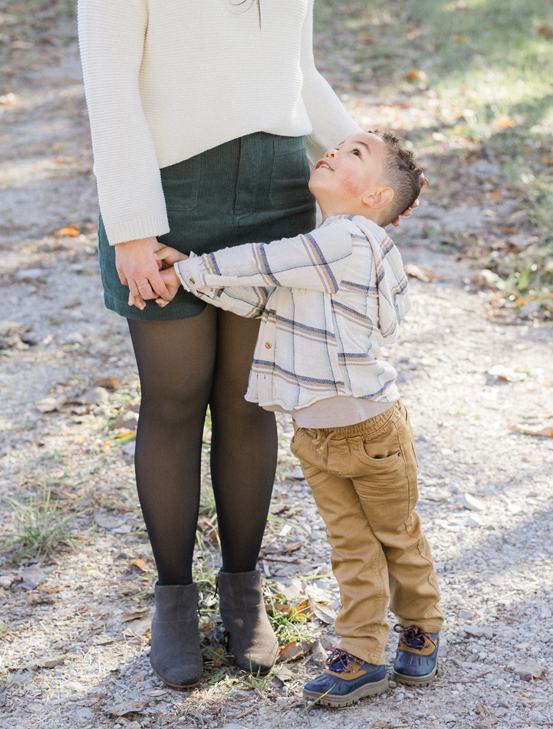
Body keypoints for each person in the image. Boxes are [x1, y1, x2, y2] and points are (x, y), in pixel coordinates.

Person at [77, 0, 413, 691]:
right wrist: (133, 228)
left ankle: (244, 591)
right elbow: (108, 84)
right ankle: (174, 599)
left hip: (272, 193)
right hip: (168, 197)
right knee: (176, 401)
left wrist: (385, 170)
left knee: (249, 400)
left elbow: (296, 75)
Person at [154, 131, 443, 708]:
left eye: (354, 153)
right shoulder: (321, 247)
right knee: (351, 546)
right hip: (316, 436)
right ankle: (363, 652)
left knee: (396, 536)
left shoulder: (351, 240)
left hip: (370, 431)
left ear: (375, 196)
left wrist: (189, 271)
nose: (331, 151)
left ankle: (422, 625)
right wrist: (195, 273)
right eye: (336, 146)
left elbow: (264, 261)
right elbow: (260, 296)